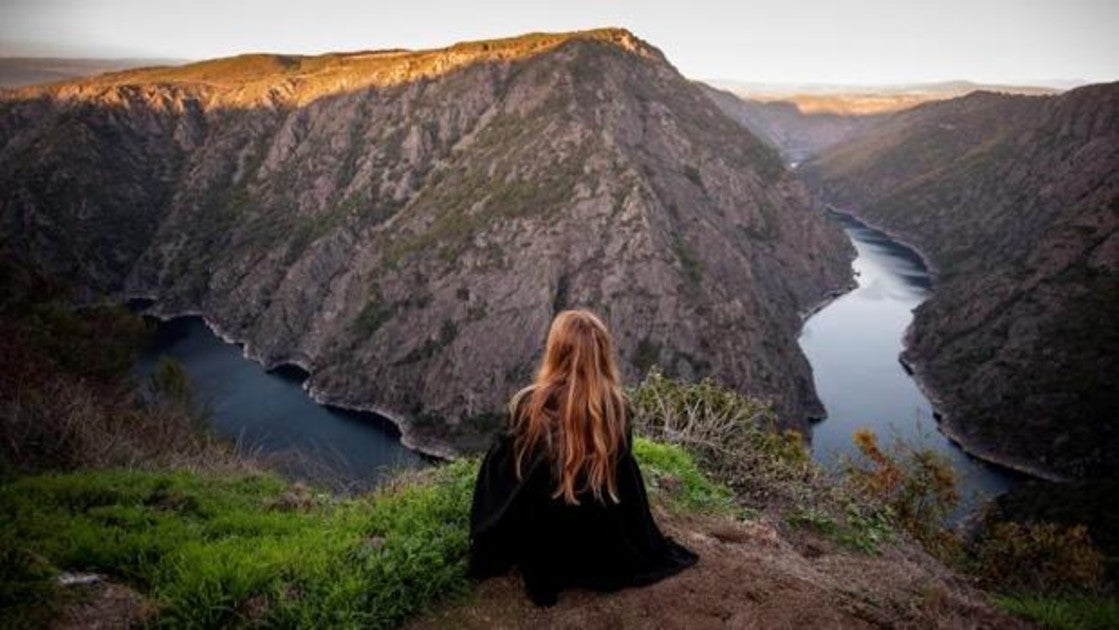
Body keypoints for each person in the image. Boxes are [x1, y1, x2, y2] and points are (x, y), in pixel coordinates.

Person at [468, 309, 698, 606]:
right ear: (602, 355)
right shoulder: (617, 409)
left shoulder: (529, 405)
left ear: (556, 351)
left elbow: (504, 477)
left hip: (545, 542)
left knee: (503, 460)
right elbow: (622, 481)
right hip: (599, 544)